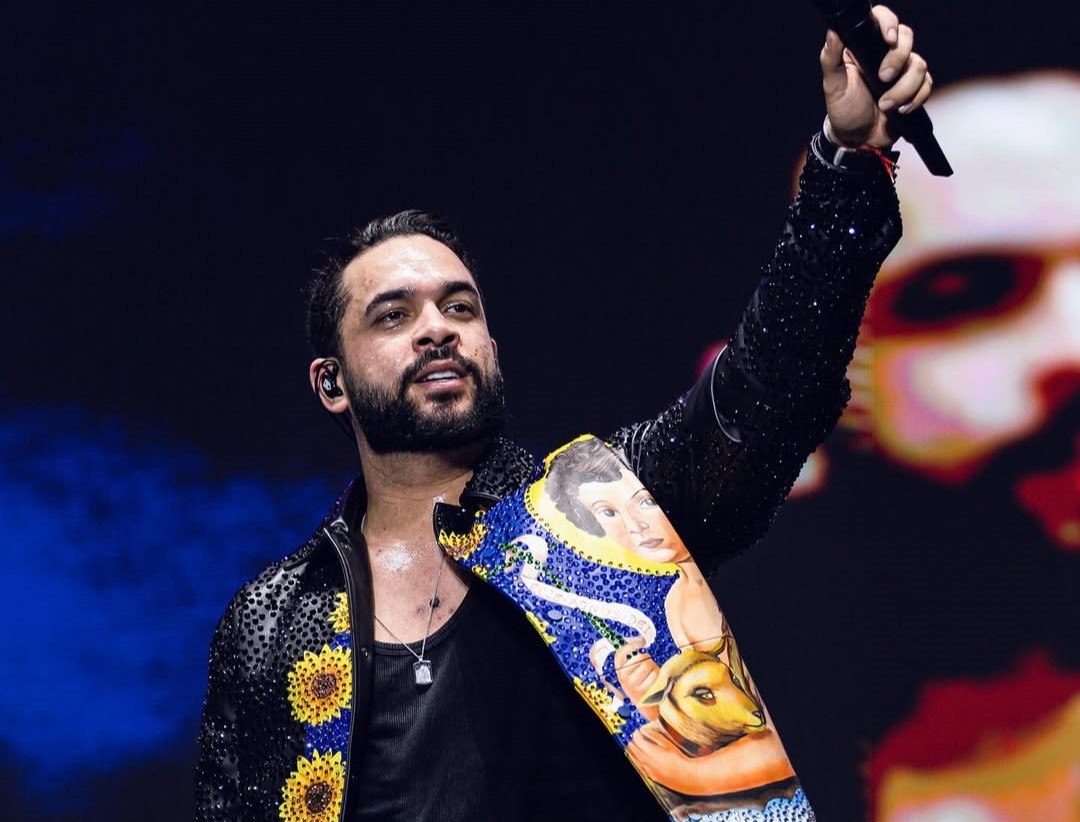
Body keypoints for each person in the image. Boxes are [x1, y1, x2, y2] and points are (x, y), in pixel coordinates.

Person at [195, 6, 934, 820]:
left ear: (491, 345)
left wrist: (847, 159)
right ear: (331, 383)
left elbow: (773, 388)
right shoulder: (274, 620)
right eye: (393, 315)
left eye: (459, 307)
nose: (437, 328)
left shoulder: (609, 509)